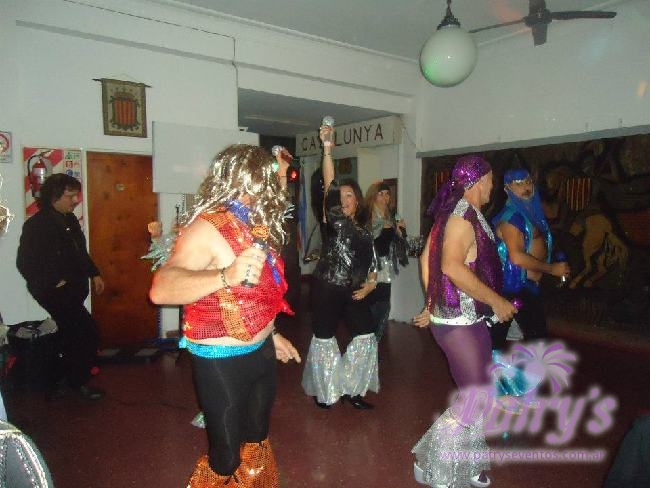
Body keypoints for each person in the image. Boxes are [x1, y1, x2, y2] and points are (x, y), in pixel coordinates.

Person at [149, 144, 301, 488]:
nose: (272, 188)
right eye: (266, 179)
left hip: (261, 350)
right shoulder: (208, 227)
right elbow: (161, 289)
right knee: (226, 456)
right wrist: (225, 275)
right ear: (246, 180)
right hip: (222, 358)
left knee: (256, 441)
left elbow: (261, 291)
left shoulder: (255, 223)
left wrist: (272, 333)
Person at [412, 155, 516, 488]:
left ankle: (467, 461)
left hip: (469, 318)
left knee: (479, 393)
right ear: (478, 181)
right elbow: (451, 267)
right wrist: (496, 301)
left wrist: (431, 301)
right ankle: (429, 464)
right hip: (458, 321)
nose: (493, 186)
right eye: (491, 179)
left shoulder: (460, 212)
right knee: (475, 396)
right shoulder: (460, 217)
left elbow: (425, 259)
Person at [301, 122, 379, 410]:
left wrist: (371, 282)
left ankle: (353, 390)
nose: (343, 199)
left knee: (366, 335)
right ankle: (326, 392)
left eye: (349, 195)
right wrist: (327, 149)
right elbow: (330, 181)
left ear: (357, 201)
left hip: (355, 290)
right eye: (340, 196)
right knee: (324, 337)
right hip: (327, 288)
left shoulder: (365, 230)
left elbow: (373, 261)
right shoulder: (332, 220)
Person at [16, 173, 105, 401]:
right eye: (70, 196)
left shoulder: (69, 220)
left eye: (76, 195)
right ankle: (77, 382)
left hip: (72, 290)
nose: (75, 200)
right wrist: (53, 280)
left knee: (72, 333)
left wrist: (94, 273)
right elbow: (25, 262)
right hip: (53, 291)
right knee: (86, 332)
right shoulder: (37, 224)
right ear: (54, 196)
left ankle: (58, 379)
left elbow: (79, 252)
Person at [490, 168, 570, 351]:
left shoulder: (530, 214)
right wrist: (552, 269)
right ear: (507, 189)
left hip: (526, 287)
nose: (525, 187)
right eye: (518, 184)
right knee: (530, 341)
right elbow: (517, 257)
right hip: (513, 287)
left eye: (527, 182)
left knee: (500, 341)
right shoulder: (512, 218)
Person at [364, 181, 406, 340]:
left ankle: (376, 339)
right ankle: (368, 339)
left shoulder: (392, 216)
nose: (384, 197)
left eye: (387, 194)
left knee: (384, 303)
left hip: (386, 265)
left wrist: (401, 230)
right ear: (373, 196)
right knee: (371, 302)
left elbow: (399, 240)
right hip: (371, 265)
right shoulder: (367, 217)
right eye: (380, 194)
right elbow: (365, 241)